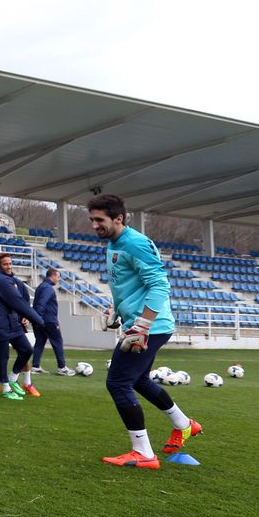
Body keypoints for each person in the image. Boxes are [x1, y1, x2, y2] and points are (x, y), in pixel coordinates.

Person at [88, 194, 201, 469]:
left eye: (99, 220)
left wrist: (142, 325)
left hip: (151, 326)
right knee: (138, 380)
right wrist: (116, 310)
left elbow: (160, 286)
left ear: (119, 218)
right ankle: (185, 424)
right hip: (139, 324)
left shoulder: (136, 243)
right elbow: (126, 284)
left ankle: (144, 453)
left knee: (117, 382)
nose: (94, 225)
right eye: (92, 220)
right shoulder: (113, 242)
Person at [0, 253, 45, 400]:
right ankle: (3, 386)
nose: (9, 266)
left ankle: (14, 378)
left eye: (10, 263)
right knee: (0, 356)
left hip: (13, 324)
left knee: (27, 349)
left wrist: (26, 317)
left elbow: (23, 302)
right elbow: (15, 302)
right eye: (5, 264)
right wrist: (39, 320)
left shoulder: (15, 282)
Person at [30, 267, 75, 376]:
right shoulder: (48, 288)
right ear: (53, 276)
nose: (58, 279)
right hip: (48, 320)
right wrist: (39, 319)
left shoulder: (41, 286)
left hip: (39, 320)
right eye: (58, 277)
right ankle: (62, 367)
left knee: (40, 342)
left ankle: (35, 366)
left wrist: (36, 319)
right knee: (57, 342)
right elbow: (41, 304)